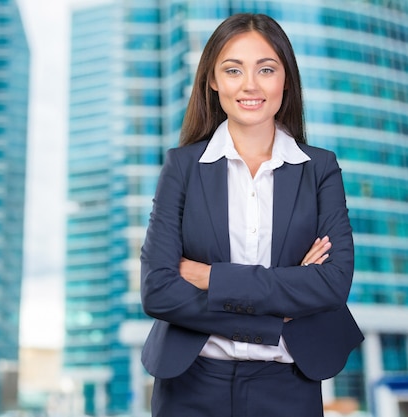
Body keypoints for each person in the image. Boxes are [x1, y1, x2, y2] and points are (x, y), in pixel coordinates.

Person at [140, 13, 364, 417]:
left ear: (286, 79)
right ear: (213, 80)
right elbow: (158, 290)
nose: (250, 85)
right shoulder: (182, 167)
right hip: (189, 386)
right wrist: (278, 312)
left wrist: (210, 277)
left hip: (288, 389)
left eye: (266, 69)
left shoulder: (320, 169)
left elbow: (332, 285)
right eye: (232, 69)